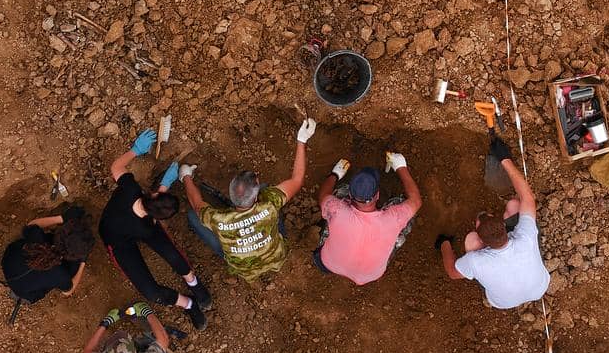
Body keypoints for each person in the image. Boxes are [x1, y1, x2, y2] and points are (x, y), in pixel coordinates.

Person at [100, 129, 212, 329]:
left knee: (172, 258)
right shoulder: (149, 224)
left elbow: (116, 166)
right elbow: (151, 215)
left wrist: (136, 150)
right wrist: (164, 185)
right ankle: (189, 303)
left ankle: (196, 286)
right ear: (158, 218)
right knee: (151, 289)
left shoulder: (131, 190)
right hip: (117, 242)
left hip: (125, 227)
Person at [181, 118, 316, 281]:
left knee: (192, 216)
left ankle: (234, 256)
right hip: (276, 257)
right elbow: (297, 180)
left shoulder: (218, 220)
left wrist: (186, 176)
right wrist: (302, 140)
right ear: (255, 195)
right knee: (267, 188)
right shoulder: (269, 206)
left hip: (244, 269)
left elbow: (196, 204)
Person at [435, 135, 550, 308]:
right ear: (506, 228)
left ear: (483, 244)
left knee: (469, 241)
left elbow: (452, 272)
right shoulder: (525, 237)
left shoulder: (476, 260)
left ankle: (447, 241)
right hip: (539, 288)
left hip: (504, 303)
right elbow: (527, 198)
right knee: (514, 205)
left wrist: (444, 244)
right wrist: (505, 160)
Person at [314, 150, 422, 284]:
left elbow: (324, 195)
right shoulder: (394, 218)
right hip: (370, 275)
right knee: (403, 207)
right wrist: (401, 167)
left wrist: (335, 174)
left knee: (338, 193)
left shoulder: (337, 210)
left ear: (351, 195)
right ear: (377, 195)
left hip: (329, 263)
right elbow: (416, 201)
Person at [1, 203, 94, 304]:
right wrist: (82, 262)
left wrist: (62, 218)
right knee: (73, 270)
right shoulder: (60, 275)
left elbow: (31, 225)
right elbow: (68, 291)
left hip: (8, 261)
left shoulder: (37, 238)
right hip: (25, 293)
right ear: (73, 257)